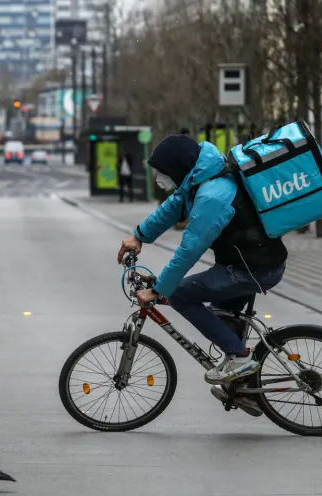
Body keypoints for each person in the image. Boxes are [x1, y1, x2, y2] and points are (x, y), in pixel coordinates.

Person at [116, 135, 288, 415]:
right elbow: (173, 207)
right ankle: (245, 387)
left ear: (179, 168)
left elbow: (189, 250)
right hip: (247, 262)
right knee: (219, 313)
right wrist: (139, 236)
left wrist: (159, 290)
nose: (161, 178)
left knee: (181, 294)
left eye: (163, 173)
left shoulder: (212, 196)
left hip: (255, 269)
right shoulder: (199, 180)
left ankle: (239, 357)